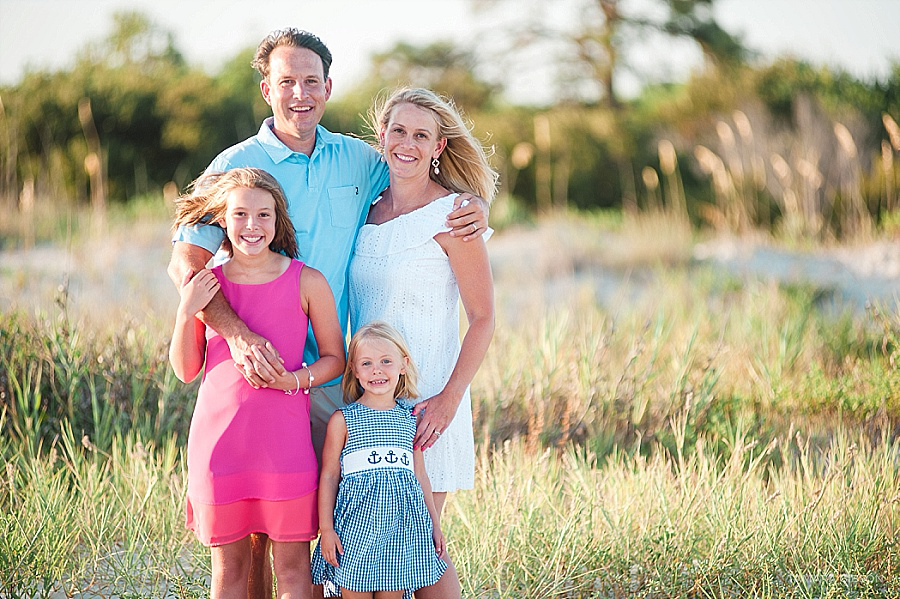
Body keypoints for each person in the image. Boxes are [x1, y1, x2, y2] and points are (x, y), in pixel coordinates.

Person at [166, 31, 489, 595]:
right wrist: (239, 338)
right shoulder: (236, 165)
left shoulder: (359, 159)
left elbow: (417, 176)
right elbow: (185, 266)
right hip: (260, 375)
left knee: (349, 537)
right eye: (286, 81)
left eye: (311, 81)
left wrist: (474, 202)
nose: (299, 93)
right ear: (266, 88)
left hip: (340, 380)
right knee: (260, 539)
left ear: (328, 87)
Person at [168, 168, 345, 599]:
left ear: (278, 220)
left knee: (293, 573)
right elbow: (185, 370)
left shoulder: (307, 280)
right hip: (220, 450)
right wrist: (185, 311)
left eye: (263, 215)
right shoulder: (211, 285)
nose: (252, 225)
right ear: (222, 222)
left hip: (286, 449)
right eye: (240, 214)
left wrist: (294, 379)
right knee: (229, 574)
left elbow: (335, 360)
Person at [348, 88, 497, 599]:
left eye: (421, 135)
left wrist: (449, 400)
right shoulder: (365, 212)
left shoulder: (455, 216)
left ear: (439, 147)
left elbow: (483, 318)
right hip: (370, 407)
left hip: (428, 407)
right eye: (398, 131)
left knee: (420, 552)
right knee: (375, 558)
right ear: (382, 135)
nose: (407, 143)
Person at [311, 322, 447, 598]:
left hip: (400, 533)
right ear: (355, 370)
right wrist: (326, 528)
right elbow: (329, 476)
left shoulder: (410, 420)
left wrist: (435, 524)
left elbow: (420, 476)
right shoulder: (344, 420)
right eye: (367, 363)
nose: (377, 370)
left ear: (403, 364)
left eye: (386, 361)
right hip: (355, 532)